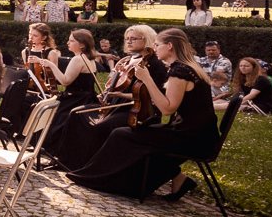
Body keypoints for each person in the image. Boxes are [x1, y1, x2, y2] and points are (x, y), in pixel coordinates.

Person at [67, 28, 218, 202]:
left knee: (121, 134)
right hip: (198, 134)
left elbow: (167, 109)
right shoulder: (187, 68)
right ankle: (175, 181)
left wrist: (147, 79)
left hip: (191, 138)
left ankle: (100, 179)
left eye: (157, 45)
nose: (154, 48)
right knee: (133, 132)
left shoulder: (180, 72)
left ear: (169, 46)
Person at [49, 25, 168, 170]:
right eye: (127, 39)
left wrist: (120, 95)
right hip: (116, 105)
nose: (129, 42)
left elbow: (151, 95)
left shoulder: (155, 64)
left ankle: (91, 165)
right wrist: (108, 94)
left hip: (136, 110)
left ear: (147, 39)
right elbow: (116, 85)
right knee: (76, 113)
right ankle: (67, 161)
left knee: (99, 126)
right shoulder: (127, 60)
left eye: (133, 39)